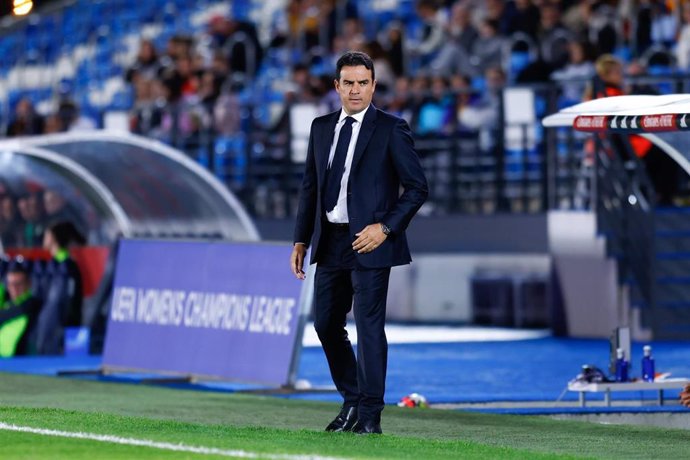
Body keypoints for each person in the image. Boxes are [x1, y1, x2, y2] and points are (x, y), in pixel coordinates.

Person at [290, 51, 428, 435]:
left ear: (373, 85)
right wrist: (301, 238)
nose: (355, 90)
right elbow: (310, 188)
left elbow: (418, 187)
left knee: (369, 328)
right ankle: (352, 399)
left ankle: (369, 416)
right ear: (336, 86)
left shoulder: (391, 128)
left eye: (363, 82)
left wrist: (384, 228)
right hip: (331, 240)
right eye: (348, 83)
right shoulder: (321, 128)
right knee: (325, 325)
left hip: (371, 242)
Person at [0, 260, 42, 357]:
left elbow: (20, 309)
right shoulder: (8, 305)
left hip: (18, 360)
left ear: (28, 284)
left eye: (18, 284)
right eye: (11, 284)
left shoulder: (31, 304)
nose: (14, 288)